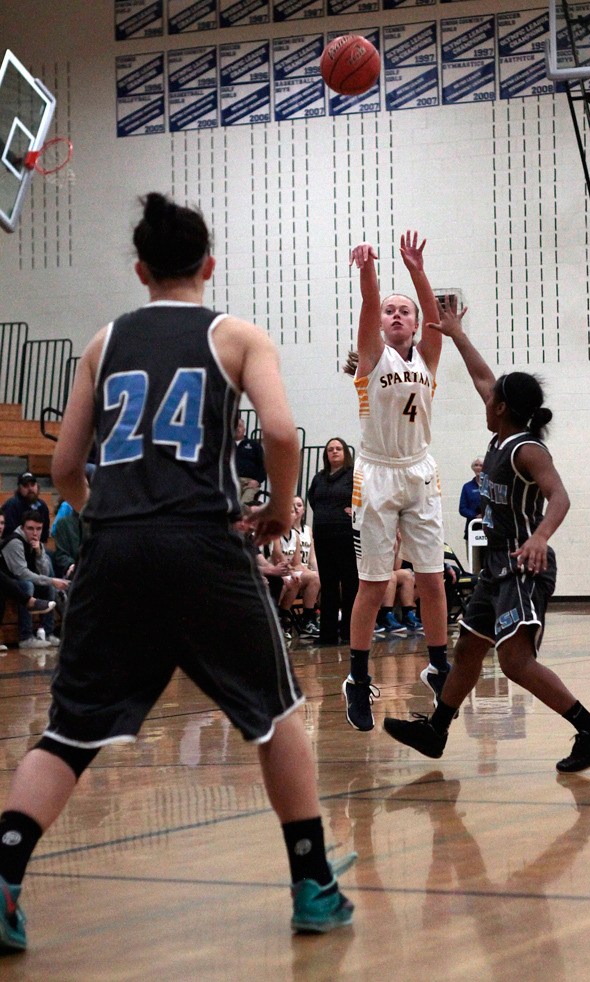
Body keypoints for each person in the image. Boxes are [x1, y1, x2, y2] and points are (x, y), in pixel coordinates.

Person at [0, 192, 355, 954]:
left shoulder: (103, 342)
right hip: (202, 546)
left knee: (66, 733)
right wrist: (281, 508)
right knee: (274, 714)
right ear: (210, 264)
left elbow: (64, 465)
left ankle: (2, 881)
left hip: (115, 547)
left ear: (140, 270)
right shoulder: (237, 336)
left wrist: (108, 519)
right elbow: (285, 431)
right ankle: (313, 884)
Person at [384, 297, 590, 773]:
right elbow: (482, 378)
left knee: (514, 661)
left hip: (523, 565)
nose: (484, 399)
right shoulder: (501, 433)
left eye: (492, 399)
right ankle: (436, 731)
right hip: (495, 566)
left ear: (503, 408)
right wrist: (455, 335)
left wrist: (540, 537)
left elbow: (560, 497)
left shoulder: (527, 451)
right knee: (468, 648)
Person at [341, 232, 449, 731]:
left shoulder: (427, 357)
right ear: (381, 323)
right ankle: (358, 679)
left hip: (421, 469)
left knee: (431, 578)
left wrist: (417, 272)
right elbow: (367, 303)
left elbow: (435, 318)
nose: (398, 315)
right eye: (391, 311)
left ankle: (440, 665)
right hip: (378, 473)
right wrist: (369, 271)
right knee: (374, 584)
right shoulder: (370, 356)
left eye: (404, 310)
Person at [307, 438, 359, 645]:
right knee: (328, 585)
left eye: (338, 449)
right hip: (323, 535)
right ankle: (327, 635)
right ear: (326, 454)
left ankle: (349, 633)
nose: (334, 452)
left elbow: (365, 500)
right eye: (330, 449)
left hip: (345, 536)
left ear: (345, 452)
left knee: (349, 584)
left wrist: (354, 511)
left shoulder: (353, 475)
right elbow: (312, 500)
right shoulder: (319, 478)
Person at [0, 508, 69, 649]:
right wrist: (51, 580)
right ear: (22, 527)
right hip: (8, 583)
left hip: (18, 582)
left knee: (48, 587)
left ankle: (48, 633)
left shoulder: (37, 543)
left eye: (39, 529)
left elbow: (45, 571)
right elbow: (22, 574)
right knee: (27, 586)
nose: (35, 533)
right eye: (30, 528)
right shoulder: (15, 542)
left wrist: (38, 553)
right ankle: (26, 636)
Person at [291, 495, 321, 638]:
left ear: (303, 510)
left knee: (323, 578)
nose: (296, 508)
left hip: (306, 571)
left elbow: (313, 558)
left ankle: (320, 618)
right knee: (315, 579)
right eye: (293, 505)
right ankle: (308, 619)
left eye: (299, 505)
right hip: (294, 570)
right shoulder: (286, 530)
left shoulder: (308, 530)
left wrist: (320, 572)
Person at [1, 472, 51, 543]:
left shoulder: (42, 506)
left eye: (33, 485)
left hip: (37, 547)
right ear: (19, 488)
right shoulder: (11, 506)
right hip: (16, 546)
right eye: (25, 485)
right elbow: (8, 535)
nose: (30, 488)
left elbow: (44, 534)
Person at [234, 415, 266, 504]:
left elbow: (263, 466)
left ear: (244, 429)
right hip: (230, 481)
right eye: (234, 426)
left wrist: (257, 481)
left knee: (244, 506)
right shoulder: (226, 446)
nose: (237, 428)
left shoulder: (254, 445)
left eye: (239, 426)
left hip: (249, 483)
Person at [459, 456, 484, 539]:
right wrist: (475, 516)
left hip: (490, 529)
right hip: (472, 527)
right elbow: (462, 509)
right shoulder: (467, 487)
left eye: (481, 465)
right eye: (476, 465)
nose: (478, 468)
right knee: (473, 552)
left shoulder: (490, 485)